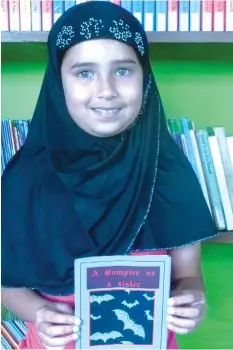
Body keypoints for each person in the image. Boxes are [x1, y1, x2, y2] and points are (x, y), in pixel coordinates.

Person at [1, 1, 218, 349]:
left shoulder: (168, 169)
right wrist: (40, 311)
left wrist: (192, 302)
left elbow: (190, 277)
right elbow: (8, 285)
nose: (106, 90)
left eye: (123, 70)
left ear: (144, 76)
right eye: (84, 72)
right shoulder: (26, 180)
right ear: (58, 82)